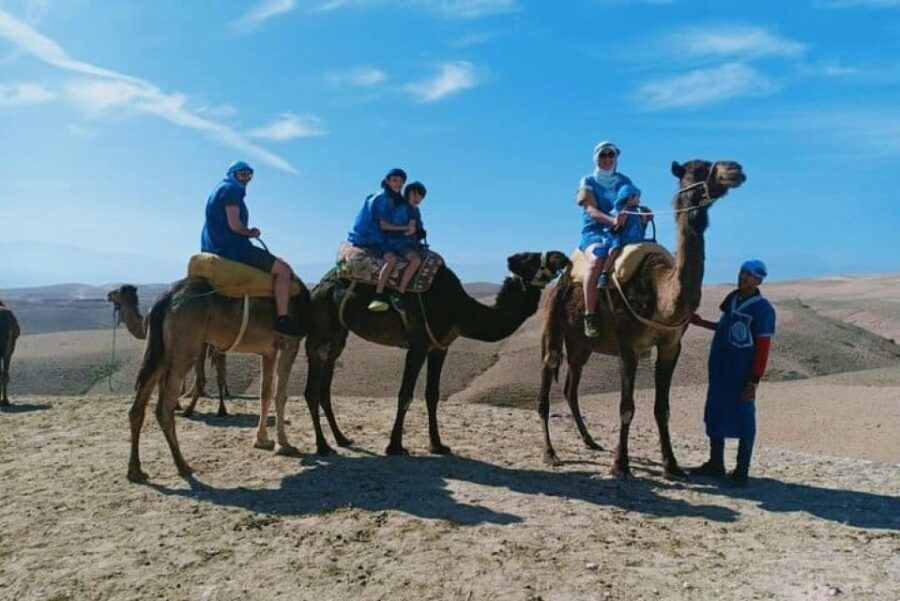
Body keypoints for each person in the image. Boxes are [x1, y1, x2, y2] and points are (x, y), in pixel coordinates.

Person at [689, 260, 776, 486]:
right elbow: (725, 327)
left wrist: (753, 380)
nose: (743, 278)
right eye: (742, 273)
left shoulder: (763, 309)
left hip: (741, 372)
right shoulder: (733, 299)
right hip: (720, 370)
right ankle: (716, 464)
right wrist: (702, 323)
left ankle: (741, 470)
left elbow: (763, 346)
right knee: (714, 413)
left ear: (758, 280)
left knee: (744, 418)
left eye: (749, 275)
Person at [200, 160, 304, 337]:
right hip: (233, 249)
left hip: (213, 247)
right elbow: (234, 224)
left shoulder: (220, 189)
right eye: (242, 173)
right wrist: (249, 232)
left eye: (249, 174)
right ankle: (283, 319)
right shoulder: (231, 190)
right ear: (233, 174)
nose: (246, 178)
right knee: (283, 271)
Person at [577, 141, 634, 338]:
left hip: (619, 233)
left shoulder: (624, 181)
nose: (608, 159)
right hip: (594, 232)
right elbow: (591, 210)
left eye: (611, 155)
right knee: (595, 261)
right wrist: (612, 220)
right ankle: (589, 315)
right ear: (596, 158)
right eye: (603, 155)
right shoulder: (588, 182)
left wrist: (640, 211)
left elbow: (631, 201)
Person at [347, 168, 408, 312]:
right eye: (394, 180)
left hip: (382, 236)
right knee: (392, 260)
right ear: (387, 181)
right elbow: (383, 224)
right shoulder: (381, 198)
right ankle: (378, 295)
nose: (398, 184)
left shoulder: (395, 199)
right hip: (371, 237)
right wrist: (405, 228)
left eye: (400, 181)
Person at [599, 184, 654, 286]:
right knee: (615, 249)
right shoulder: (620, 212)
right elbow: (616, 230)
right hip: (622, 239)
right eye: (637, 198)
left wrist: (646, 220)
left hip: (637, 240)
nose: (639, 201)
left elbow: (640, 229)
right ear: (630, 198)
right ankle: (604, 272)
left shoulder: (638, 212)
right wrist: (620, 222)